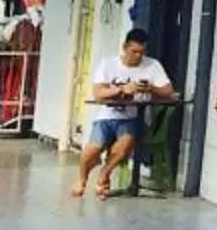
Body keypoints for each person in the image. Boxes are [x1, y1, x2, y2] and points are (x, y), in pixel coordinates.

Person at [71, 28, 176, 200]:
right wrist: (122, 90)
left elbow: (168, 91)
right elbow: (98, 94)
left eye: (142, 52)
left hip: (132, 117)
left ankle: (104, 174)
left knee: (125, 144)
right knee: (93, 148)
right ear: (125, 47)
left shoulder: (152, 65)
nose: (138, 56)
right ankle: (82, 179)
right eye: (134, 51)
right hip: (107, 115)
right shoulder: (108, 64)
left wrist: (149, 88)